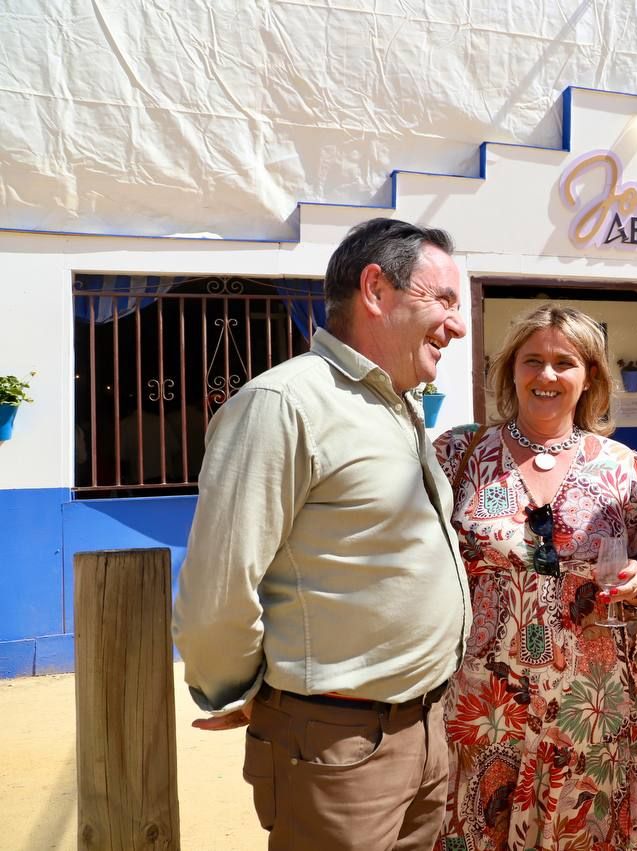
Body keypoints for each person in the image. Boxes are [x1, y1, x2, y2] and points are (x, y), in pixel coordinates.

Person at [173, 217, 472, 851]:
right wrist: (246, 691)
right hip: (337, 748)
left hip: (423, 734)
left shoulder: (398, 407)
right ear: (376, 289)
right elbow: (219, 587)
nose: (459, 324)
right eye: (443, 299)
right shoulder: (284, 404)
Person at [432, 304, 637, 851]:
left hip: (592, 707)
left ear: (589, 375)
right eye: (532, 360)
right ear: (509, 370)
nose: (547, 375)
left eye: (564, 362)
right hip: (483, 707)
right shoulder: (458, 455)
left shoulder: (622, 467)